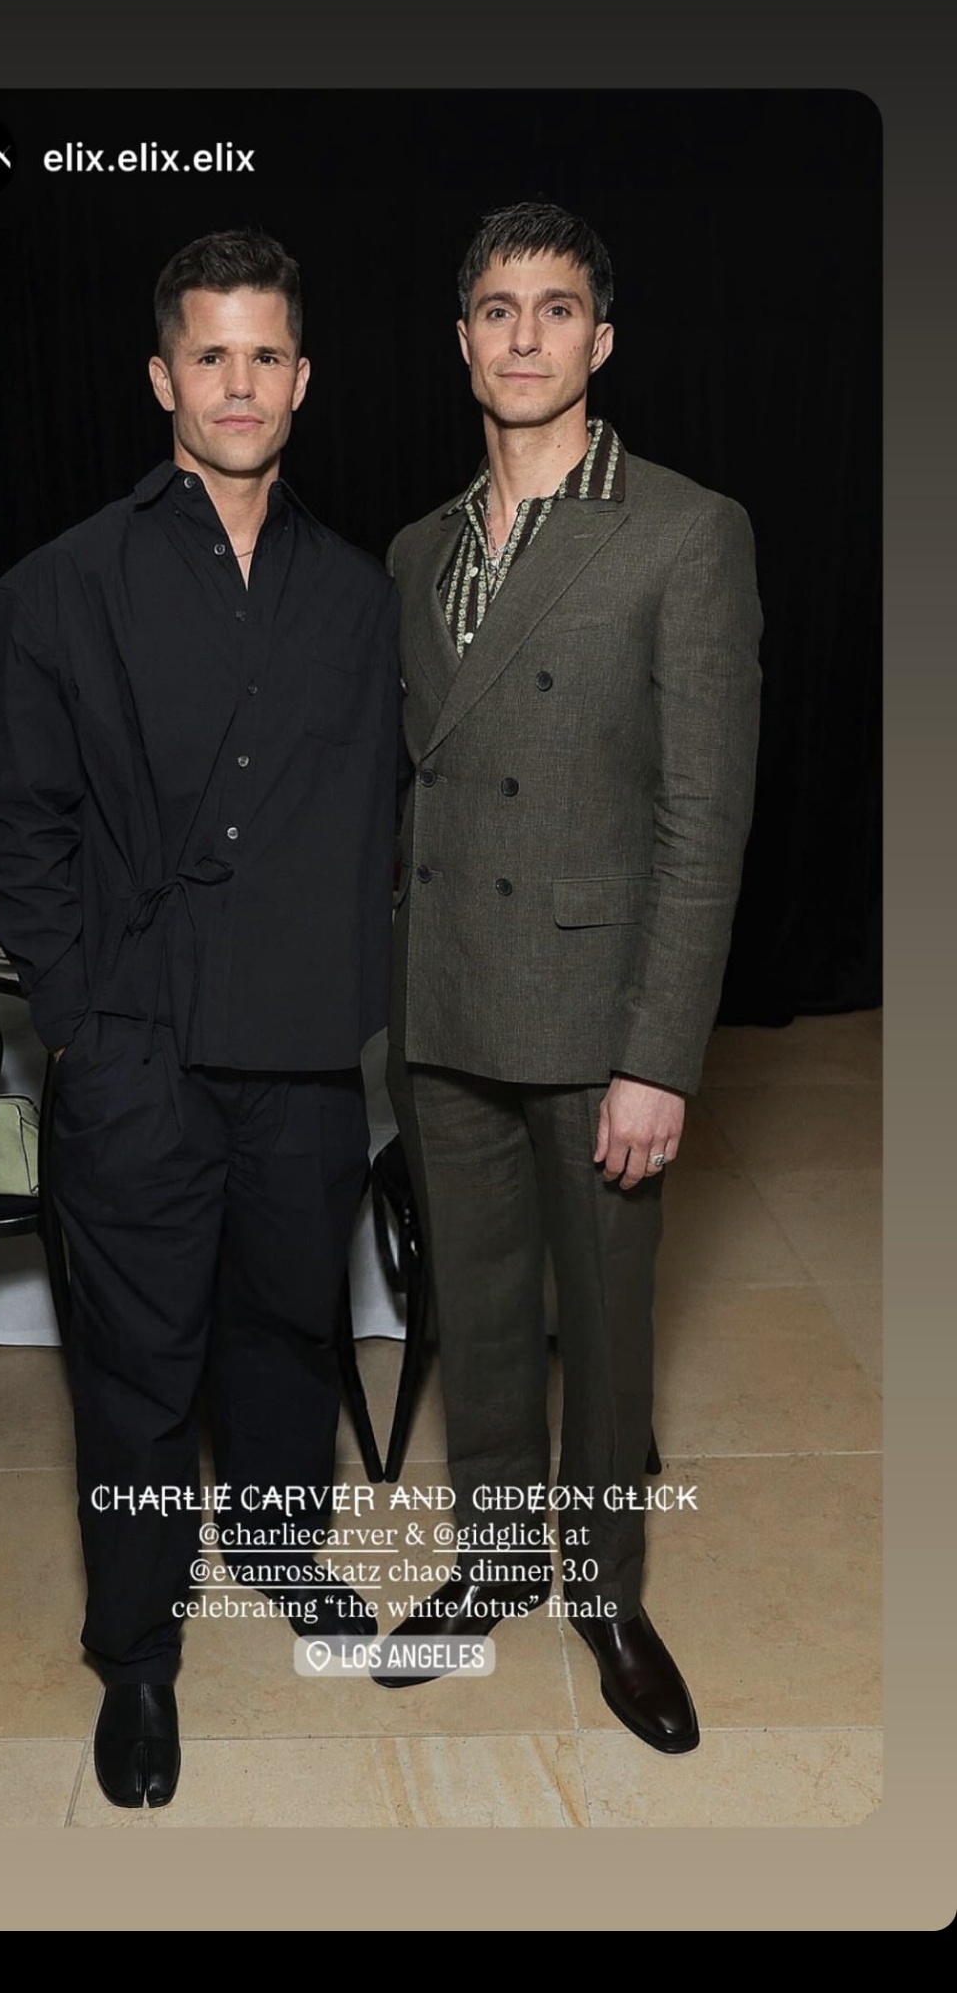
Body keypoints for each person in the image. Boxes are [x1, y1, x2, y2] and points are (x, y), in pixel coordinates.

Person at [0, 229, 401, 1807]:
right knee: (139, 1370)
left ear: (302, 378)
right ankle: (136, 1654)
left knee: (284, 1334)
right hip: (136, 1052)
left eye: (263, 353)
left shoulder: (360, 597)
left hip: (303, 1059)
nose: (237, 381)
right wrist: (83, 1022)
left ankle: (282, 1553)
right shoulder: (57, 587)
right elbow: (13, 828)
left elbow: (388, 825)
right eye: (208, 353)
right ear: (162, 377)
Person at [377, 200, 762, 1750]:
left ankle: (605, 1593)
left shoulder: (682, 528)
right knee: (474, 1312)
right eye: (495, 308)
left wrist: (658, 1055)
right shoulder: (416, 550)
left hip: (596, 1016)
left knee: (600, 1332)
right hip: (445, 999)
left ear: (599, 340)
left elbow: (702, 817)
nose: (522, 335)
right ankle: (488, 1559)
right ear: (461, 341)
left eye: (553, 309)